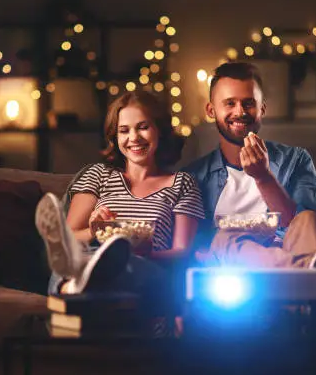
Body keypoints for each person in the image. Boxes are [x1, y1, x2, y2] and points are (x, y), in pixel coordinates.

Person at [182, 62, 316, 308]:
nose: (240, 111)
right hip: (233, 270)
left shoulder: (296, 159)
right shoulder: (193, 176)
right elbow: (193, 245)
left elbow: (298, 223)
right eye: (229, 103)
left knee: (309, 219)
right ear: (211, 110)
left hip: (287, 244)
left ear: (262, 109)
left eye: (248, 103)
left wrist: (263, 177)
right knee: (223, 240)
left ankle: (313, 280)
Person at [36, 90, 205, 297]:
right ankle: (76, 283)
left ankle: (80, 285)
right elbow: (70, 237)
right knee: (75, 262)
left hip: (145, 265)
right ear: (115, 138)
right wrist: (94, 231)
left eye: (143, 127)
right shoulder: (97, 175)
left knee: (129, 266)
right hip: (90, 256)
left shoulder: (182, 184)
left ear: (159, 130)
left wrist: (147, 252)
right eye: (124, 130)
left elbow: (182, 252)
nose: (134, 137)